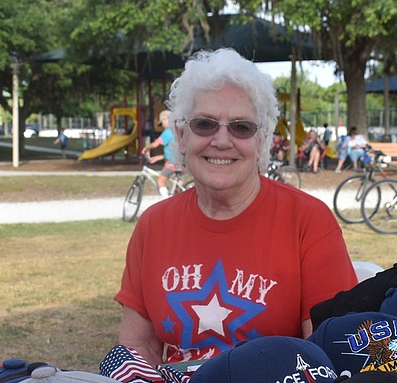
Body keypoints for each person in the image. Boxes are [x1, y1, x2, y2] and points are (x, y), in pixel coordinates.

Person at [116, 48, 359, 366]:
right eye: (204, 124)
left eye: (241, 127)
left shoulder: (308, 220)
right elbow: (138, 349)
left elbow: (331, 354)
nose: (221, 140)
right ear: (181, 134)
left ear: (263, 141)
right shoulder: (154, 224)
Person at [141, 110, 178, 197]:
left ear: (166, 120)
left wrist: (146, 148)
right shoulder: (177, 131)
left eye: (162, 122)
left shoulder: (168, 132)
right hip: (182, 161)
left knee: (160, 181)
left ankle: (167, 203)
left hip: (173, 163)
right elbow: (174, 151)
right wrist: (159, 157)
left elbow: (155, 144)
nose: (163, 126)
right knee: (177, 187)